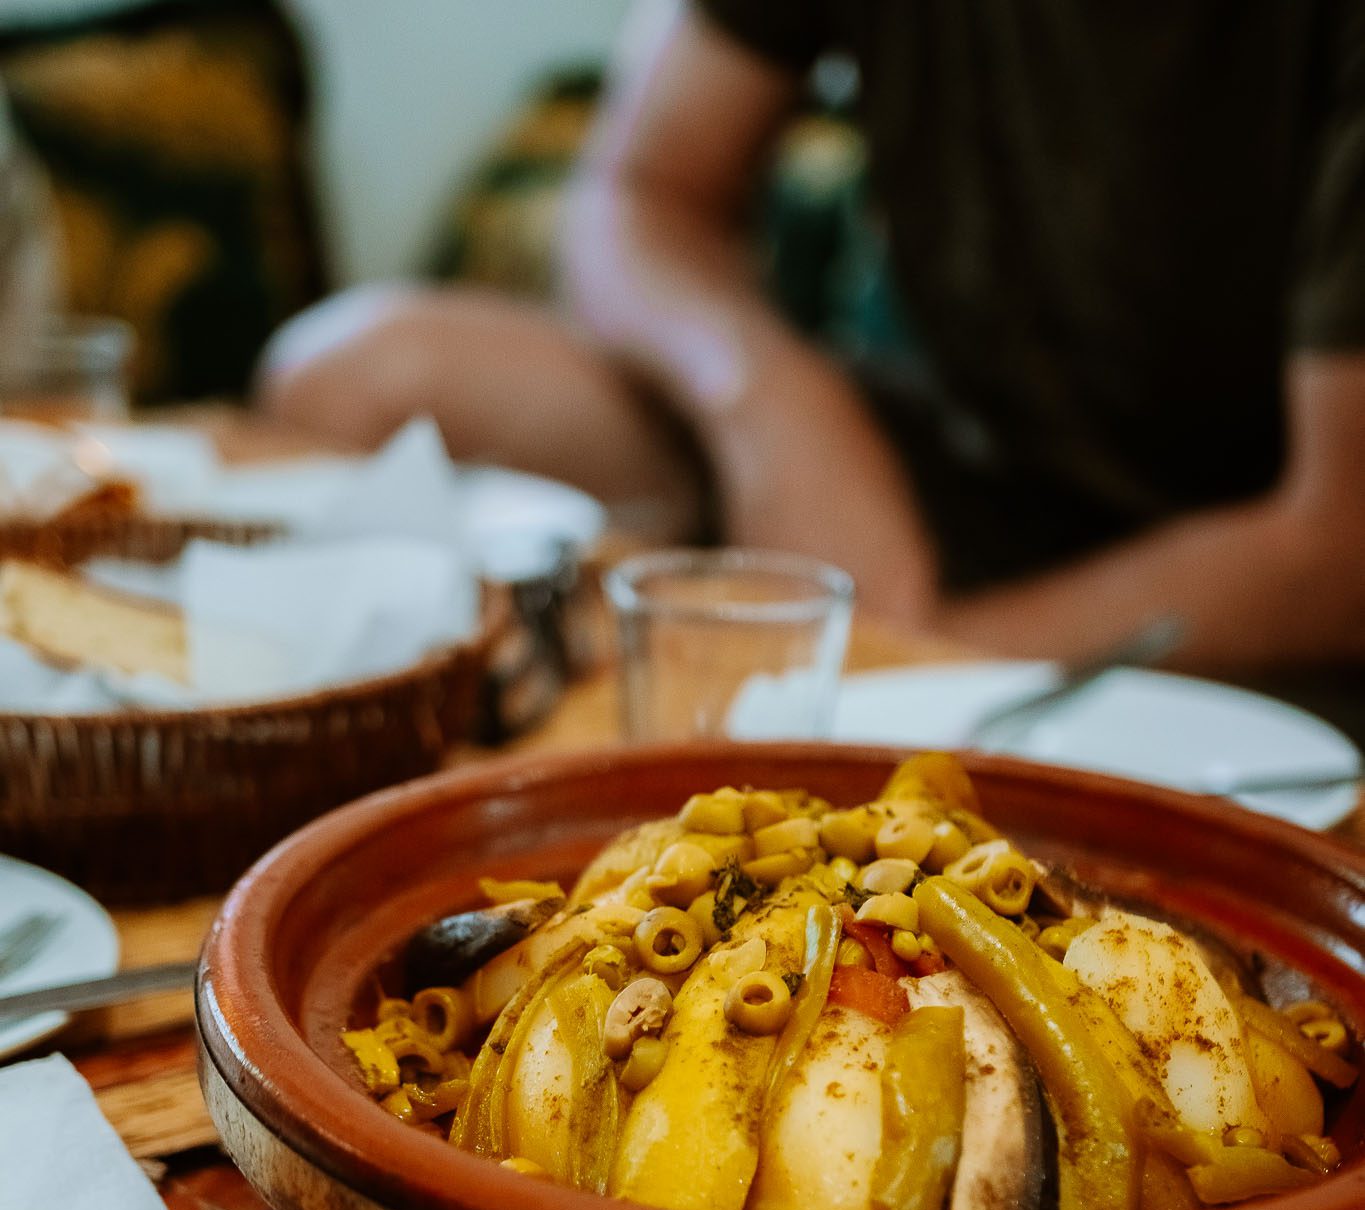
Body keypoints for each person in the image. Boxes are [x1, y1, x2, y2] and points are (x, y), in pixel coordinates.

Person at [259, 0, 1365, 696]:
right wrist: (765, 399)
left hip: (1243, 553)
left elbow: (1339, 543)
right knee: (355, 374)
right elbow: (634, 192)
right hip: (950, 463)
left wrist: (911, 653)